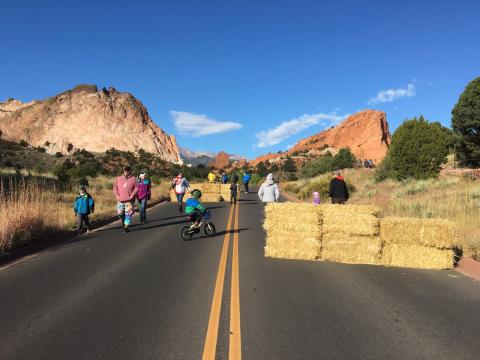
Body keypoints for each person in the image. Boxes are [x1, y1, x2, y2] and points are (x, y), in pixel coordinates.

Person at [113, 165, 138, 233]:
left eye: (127, 170)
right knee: (120, 214)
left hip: (129, 201)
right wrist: (117, 196)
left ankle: (125, 227)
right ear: (123, 171)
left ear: (130, 171)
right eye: (125, 170)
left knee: (128, 214)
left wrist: (132, 195)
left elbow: (136, 188)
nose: (126, 171)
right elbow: (115, 188)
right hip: (120, 200)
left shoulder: (133, 179)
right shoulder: (118, 179)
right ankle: (123, 224)